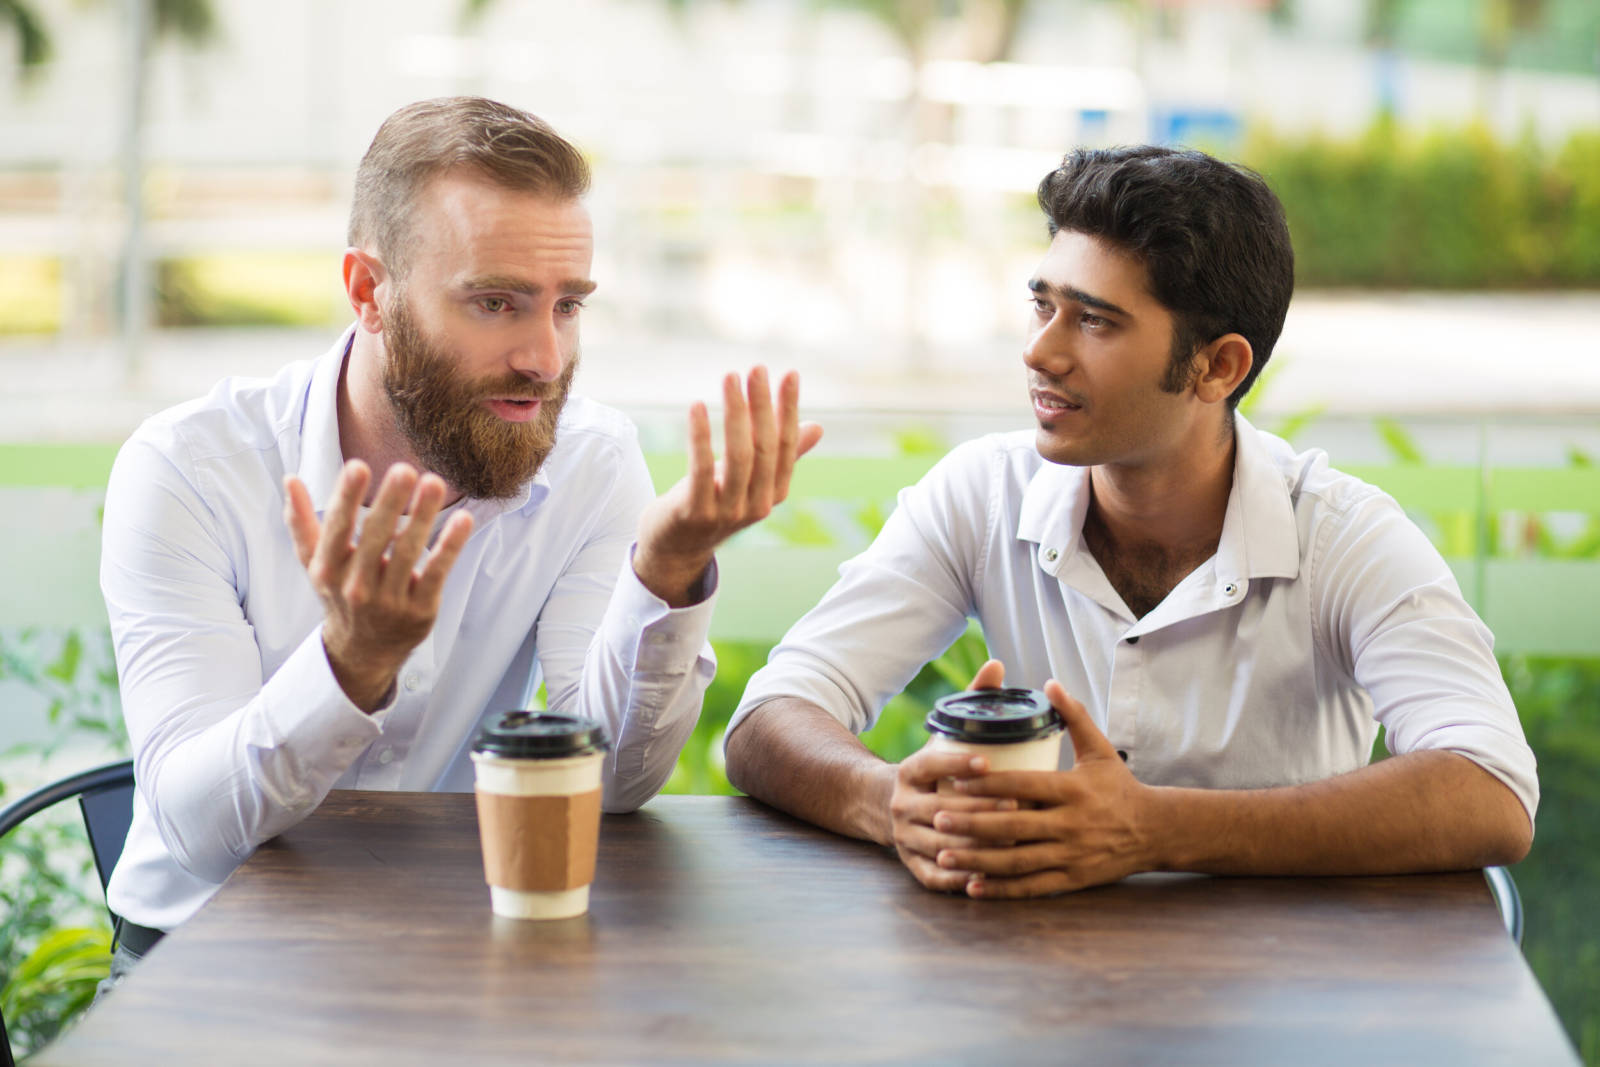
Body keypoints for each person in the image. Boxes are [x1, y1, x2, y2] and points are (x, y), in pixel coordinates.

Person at [99, 96, 822, 975]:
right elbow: (196, 829)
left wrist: (665, 572)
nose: (545, 359)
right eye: (495, 303)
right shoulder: (190, 469)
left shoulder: (590, 463)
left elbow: (609, 787)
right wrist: (349, 667)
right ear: (370, 292)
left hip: (462, 957)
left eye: (567, 306)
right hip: (203, 964)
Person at [724, 145, 1536, 899]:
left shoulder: (1343, 536)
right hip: (1035, 985)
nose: (1040, 352)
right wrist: (889, 800)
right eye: (1041, 305)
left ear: (1216, 365)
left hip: (1286, 1001)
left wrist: (1150, 828)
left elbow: (1491, 790)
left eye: (1094, 320)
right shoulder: (982, 491)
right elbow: (769, 719)